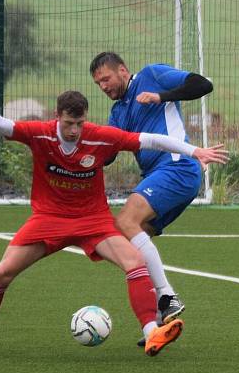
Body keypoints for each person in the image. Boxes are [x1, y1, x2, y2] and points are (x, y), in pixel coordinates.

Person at [0, 79, 228, 356]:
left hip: (93, 220)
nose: (74, 130)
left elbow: (151, 139)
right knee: (1, 274)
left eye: (79, 124)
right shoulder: (40, 133)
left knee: (135, 262)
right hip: (49, 218)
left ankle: (151, 332)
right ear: (57, 117)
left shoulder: (99, 135)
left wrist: (194, 151)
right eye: (69, 124)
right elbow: (1, 125)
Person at [90, 52, 213, 330]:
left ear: (123, 70)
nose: (103, 86)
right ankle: (158, 321)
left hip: (176, 167)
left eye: (106, 79)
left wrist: (161, 97)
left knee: (125, 221)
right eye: (98, 84)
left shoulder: (152, 76)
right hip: (165, 175)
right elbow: (108, 153)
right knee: (130, 240)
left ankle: (167, 296)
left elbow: (203, 85)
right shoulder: (118, 112)